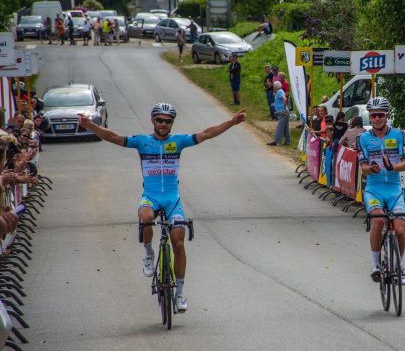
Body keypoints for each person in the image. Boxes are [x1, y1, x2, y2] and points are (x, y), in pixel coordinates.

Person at [77, 103, 246, 312]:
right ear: (153, 121)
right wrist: (90, 126)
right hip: (151, 197)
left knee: (179, 243)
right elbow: (113, 137)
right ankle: (148, 252)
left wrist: (231, 122)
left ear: (171, 123)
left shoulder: (178, 142)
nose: (164, 124)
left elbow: (206, 134)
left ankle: (180, 294)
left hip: (172, 199)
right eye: (160, 120)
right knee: (146, 216)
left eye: (168, 121)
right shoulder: (142, 142)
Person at [356, 97, 405, 285]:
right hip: (374, 189)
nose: (377, 118)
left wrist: (392, 167)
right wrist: (371, 169)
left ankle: (399, 265)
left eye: (380, 115)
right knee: (378, 221)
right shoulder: (362, 138)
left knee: (401, 230)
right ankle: (375, 265)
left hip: (394, 189)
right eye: (373, 115)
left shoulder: (398, 135)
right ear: (369, 117)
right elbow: (362, 167)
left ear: (387, 116)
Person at [267, 81, 289, 146]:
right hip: (281, 112)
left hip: (283, 112)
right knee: (285, 128)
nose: (273, 87)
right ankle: (287, 142)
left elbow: (285, 100)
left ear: (275, 87)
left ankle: (276, 141)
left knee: (279, 127)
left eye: (273, 86)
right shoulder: (279, 92)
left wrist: (284, 110)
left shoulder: (279, 92)